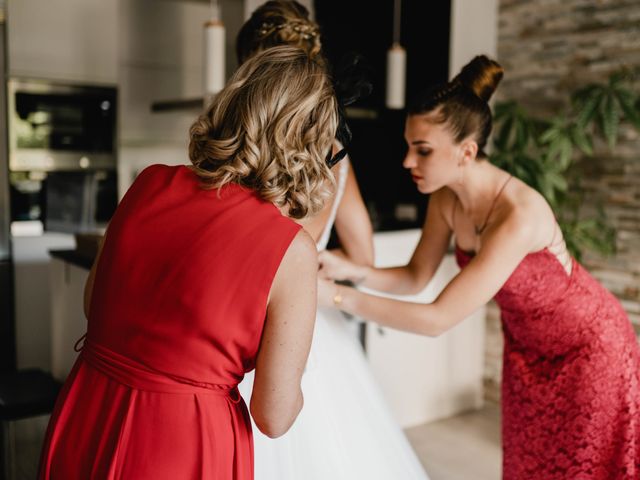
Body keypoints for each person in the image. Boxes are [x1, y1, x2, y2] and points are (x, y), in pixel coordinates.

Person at [319, 55, 640, 479]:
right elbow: (416, 277)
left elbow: (437, 319)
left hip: (591, 351)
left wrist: (337, 296)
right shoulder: (446, 199)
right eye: (408, 146)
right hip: (527, 354)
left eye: (423, 150)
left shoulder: (520, 215)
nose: (407, 162)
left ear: (467, 151)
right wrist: (349, 269)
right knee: (531, 466)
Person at [38, 46, 339, 480]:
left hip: (89, 408)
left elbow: (92, 303)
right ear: (309, 144)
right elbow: (274, 416)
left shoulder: (148, 184)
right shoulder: (291, 250)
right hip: (181, 441)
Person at [236, 2, 429, 479]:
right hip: (315, 332)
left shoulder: (244, 150)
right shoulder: (335, 155)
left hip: (244, 328)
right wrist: (315, 267)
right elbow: (361, 255)